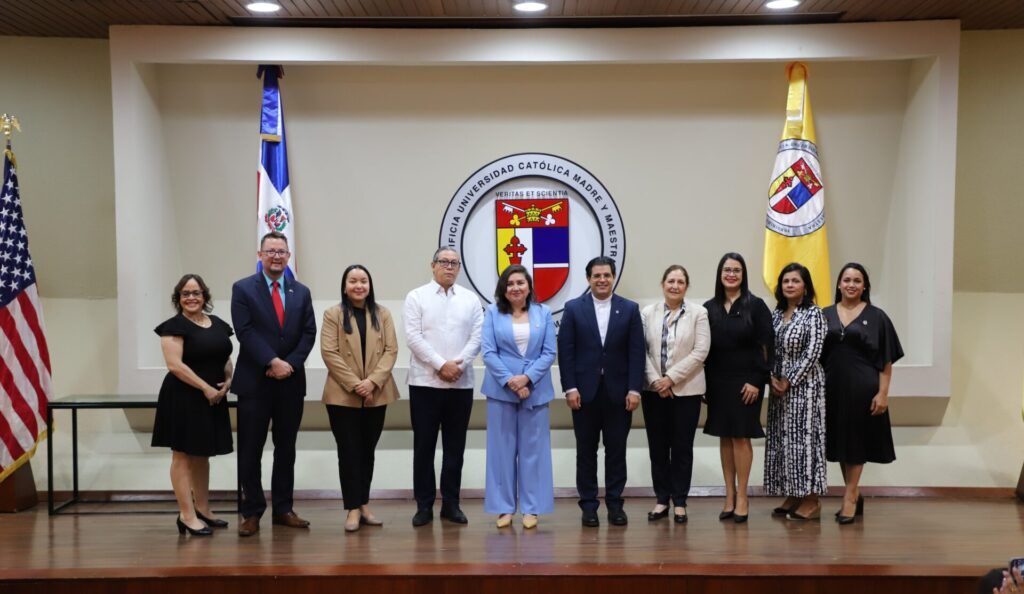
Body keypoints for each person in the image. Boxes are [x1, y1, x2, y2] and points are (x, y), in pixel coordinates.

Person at [230, 231, 317, 536]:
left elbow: (308, 333)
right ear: (260, 254)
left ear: (288, 256)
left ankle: (283, 509)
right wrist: (272, 361)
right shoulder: (243, 289)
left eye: (282, 251)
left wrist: (289, 364)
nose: (277, 256)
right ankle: (252, 511)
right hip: (255, 382)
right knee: (250, 449)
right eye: (271, 251)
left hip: (290, 384)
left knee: (286, 449)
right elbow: (245, 331)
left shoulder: (301, 292)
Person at [557, 256, 645, 527]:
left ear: (613, 277)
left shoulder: (629, 309)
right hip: (583, 394)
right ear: (588, 279)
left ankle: (616, 504)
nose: (602, 280)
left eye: (607, 275)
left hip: (620, 394)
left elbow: (636, 352)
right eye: (597, 276)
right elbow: (566, 352)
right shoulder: (573, 309)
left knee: (616, 451)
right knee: (586, 451)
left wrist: (634, 389)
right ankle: (589, 506)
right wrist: (569, 387)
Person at [404, 247, 483, 527]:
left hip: (461, 385)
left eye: (454, 263)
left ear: (459, 268)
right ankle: (424, 505)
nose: (449, 267)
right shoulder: (416, 297)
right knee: (424, 447)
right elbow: (413, 337)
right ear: (433, 265)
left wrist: (457, 366)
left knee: (455, 448)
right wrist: (441, 365)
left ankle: (451, 504)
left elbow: (477, 336)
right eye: (443, 262)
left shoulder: (470, 300)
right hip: (425, 383)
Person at [821, 263, 903, 523]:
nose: (851, 284)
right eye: (847, 279)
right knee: (841, 444)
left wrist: (883, 394)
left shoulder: (877, 316)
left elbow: (886, 360)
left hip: (863, 389)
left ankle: (850, 497)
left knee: (856, 443)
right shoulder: (824, 314)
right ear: (838, 284)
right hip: (831, 389)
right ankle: (852, 491)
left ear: (865, 286)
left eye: (857, 280)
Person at [152, 274, 234, 536]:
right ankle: (186, 515)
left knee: (202, 455)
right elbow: (175, 365)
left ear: (205, 296)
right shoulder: (173, 326)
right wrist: (206, 388)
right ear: (178, 298)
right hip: (184, 397)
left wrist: (229, 380)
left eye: (196, 293)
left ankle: (203, 510)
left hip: (213, 397)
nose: (191, 297)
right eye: (185, 293)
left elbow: (225, 357)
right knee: (183, 456)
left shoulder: (219, 324)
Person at [321, 264, 400, 533]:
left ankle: (364, 503)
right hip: (343, 395)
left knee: (367, 451)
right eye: (353, 281)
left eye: (363, 281)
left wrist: (372, 382)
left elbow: (391, 350)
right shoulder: (333, 314)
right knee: (349, 451)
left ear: (370, 285)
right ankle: (352, 508)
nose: (358, 286)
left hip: (377, 393)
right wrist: (357, 385)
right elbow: (329, 353)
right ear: (345, 285)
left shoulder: (382, 313)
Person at [481, 265, 557, 529]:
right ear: (504, 288)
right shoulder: (492, 312)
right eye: (510, 283)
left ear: (529, 287)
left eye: (520, 283)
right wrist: (512, 381)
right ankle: (503, 508)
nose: (515, 288)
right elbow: (488, 352)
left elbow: (549, 353)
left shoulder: (543, 313)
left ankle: (531, 508)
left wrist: (526, 379)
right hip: (501, 390)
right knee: (501, 452)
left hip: (534, 390)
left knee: (533, 452)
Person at [702, 253, 774, 523]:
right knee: (724, 435)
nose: (731, 274)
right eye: (727, 270)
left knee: (741, 436)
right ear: (720, 274)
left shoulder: (756, 306)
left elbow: (767, 347)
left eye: (737, 270)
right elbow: (704, 349)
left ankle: (743, 495)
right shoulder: (709, 307)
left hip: (748, 382)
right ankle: (729, 495)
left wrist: (758, 380)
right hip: (718, 381)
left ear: (744, 275)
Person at [640, 265, 710, 524]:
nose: (675, 285)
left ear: (686, 286)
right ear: (663, 284)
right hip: (653, 392)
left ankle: (679, 501)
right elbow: (642, 351)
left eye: (680, 282)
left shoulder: (699, 313)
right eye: (671, 280)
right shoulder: (648, 313)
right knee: (658, 449)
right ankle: (661, 500)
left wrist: (671, 379)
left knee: (682, 448)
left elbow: (700, 352)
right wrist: (657, 381)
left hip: (687, 392)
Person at [765, 262, 828, 521]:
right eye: (786, 281)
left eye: (795, 281)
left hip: (806, 389)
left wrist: (788, 380)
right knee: (784, 443)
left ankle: (812, 500)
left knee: (805, 442)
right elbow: (767, 347)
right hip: (778, 388)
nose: (789, 285)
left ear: (805, 286)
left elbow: (812, 352)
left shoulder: (814, 314)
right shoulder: (776, 314)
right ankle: (793, 493)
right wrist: (771, 377)